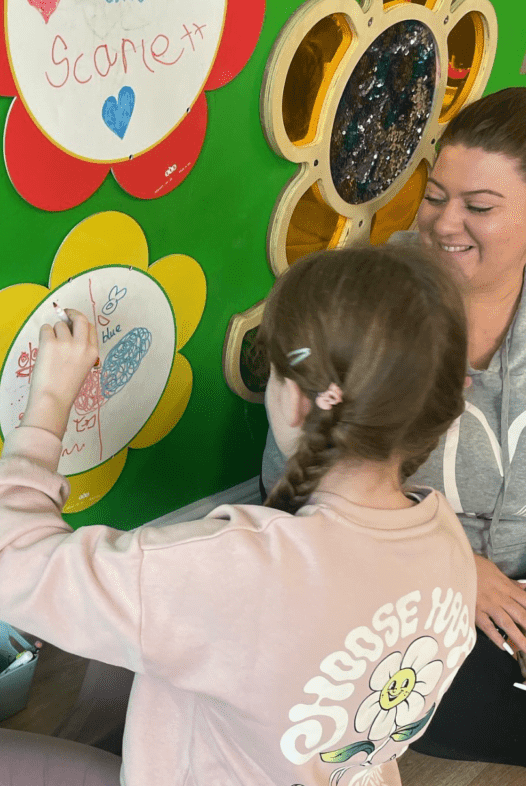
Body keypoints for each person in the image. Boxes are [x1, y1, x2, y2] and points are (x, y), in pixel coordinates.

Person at [0, 244, 476, 786]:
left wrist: (51, 402)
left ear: (293, 398)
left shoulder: (237, 572)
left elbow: (8, 562)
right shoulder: (449, 550)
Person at [262, 86, 526, 766]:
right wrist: (458, 569)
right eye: (435, 196)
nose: (443, 223)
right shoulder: (371, 300)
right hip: (398, 592)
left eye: (479, 207)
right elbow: (296, 485)